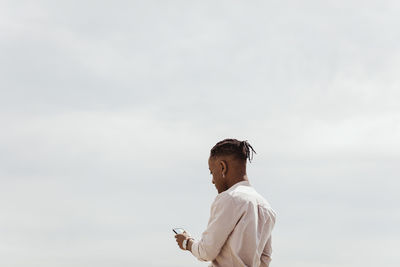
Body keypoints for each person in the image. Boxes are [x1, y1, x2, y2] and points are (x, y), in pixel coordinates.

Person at [174, 138, 277, 267]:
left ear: (222, 167)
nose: (212, 180)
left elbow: (206, 251)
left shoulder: (230, 198)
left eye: (212, 172)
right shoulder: (266, 207)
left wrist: (187, 243)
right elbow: (265, 259)